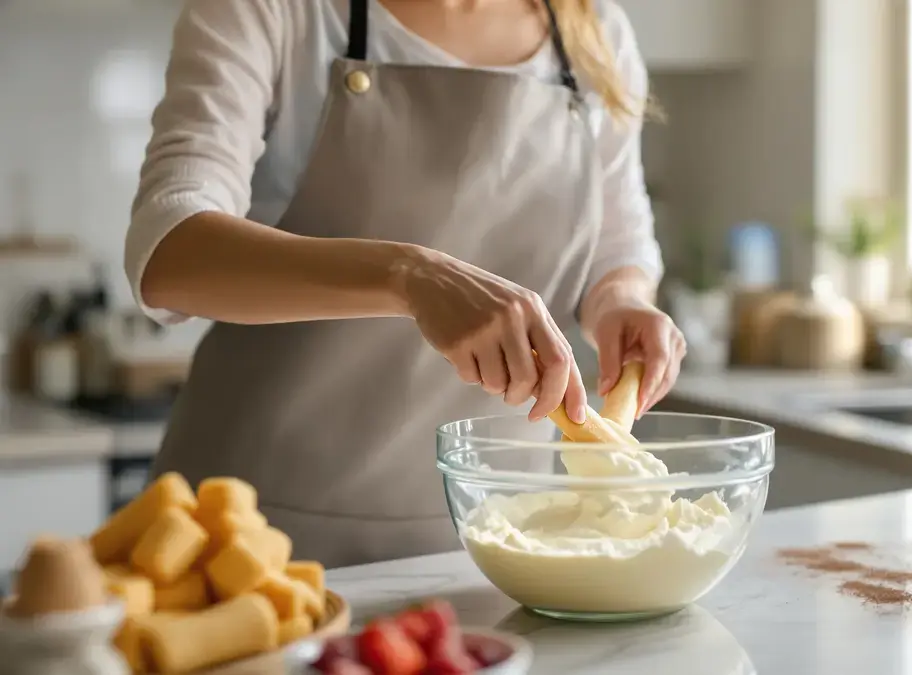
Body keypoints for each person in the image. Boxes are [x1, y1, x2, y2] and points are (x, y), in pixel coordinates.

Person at [125, 0, 685, 568]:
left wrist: (620, 301)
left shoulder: (593, 29)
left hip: (496, 534)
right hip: (253, 527)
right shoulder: (278, 11)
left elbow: (618, 243)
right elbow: (171, 251)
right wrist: (409, 276)